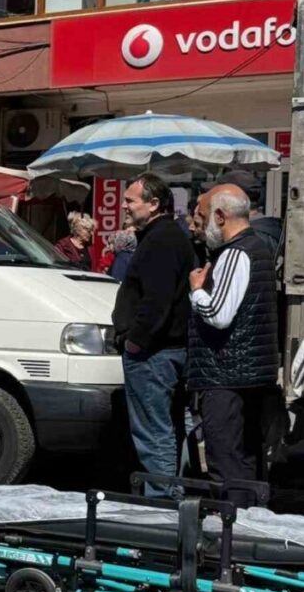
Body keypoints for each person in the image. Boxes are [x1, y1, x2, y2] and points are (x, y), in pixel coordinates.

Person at [188, 184, 280, 506]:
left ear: (220, 216)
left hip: (227, 376)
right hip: (247, 376)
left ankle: (231, 537)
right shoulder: (257, 249)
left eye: (201, 216)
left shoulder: (236, 253)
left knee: (227, 464)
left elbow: (218, 314)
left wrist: (197, 290)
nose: (196, 224)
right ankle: (248, 530)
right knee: (246, 462)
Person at [112, 174, 196, 498]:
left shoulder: (162, 240)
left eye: (131, 200)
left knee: (154, 433)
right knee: (168, 428)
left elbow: (156, 299)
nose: (125, 206)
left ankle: (161, 506)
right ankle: (169, 498)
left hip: (154, 353)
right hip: (162, 350)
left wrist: (136, 341)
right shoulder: (164, 236)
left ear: (154, 203)